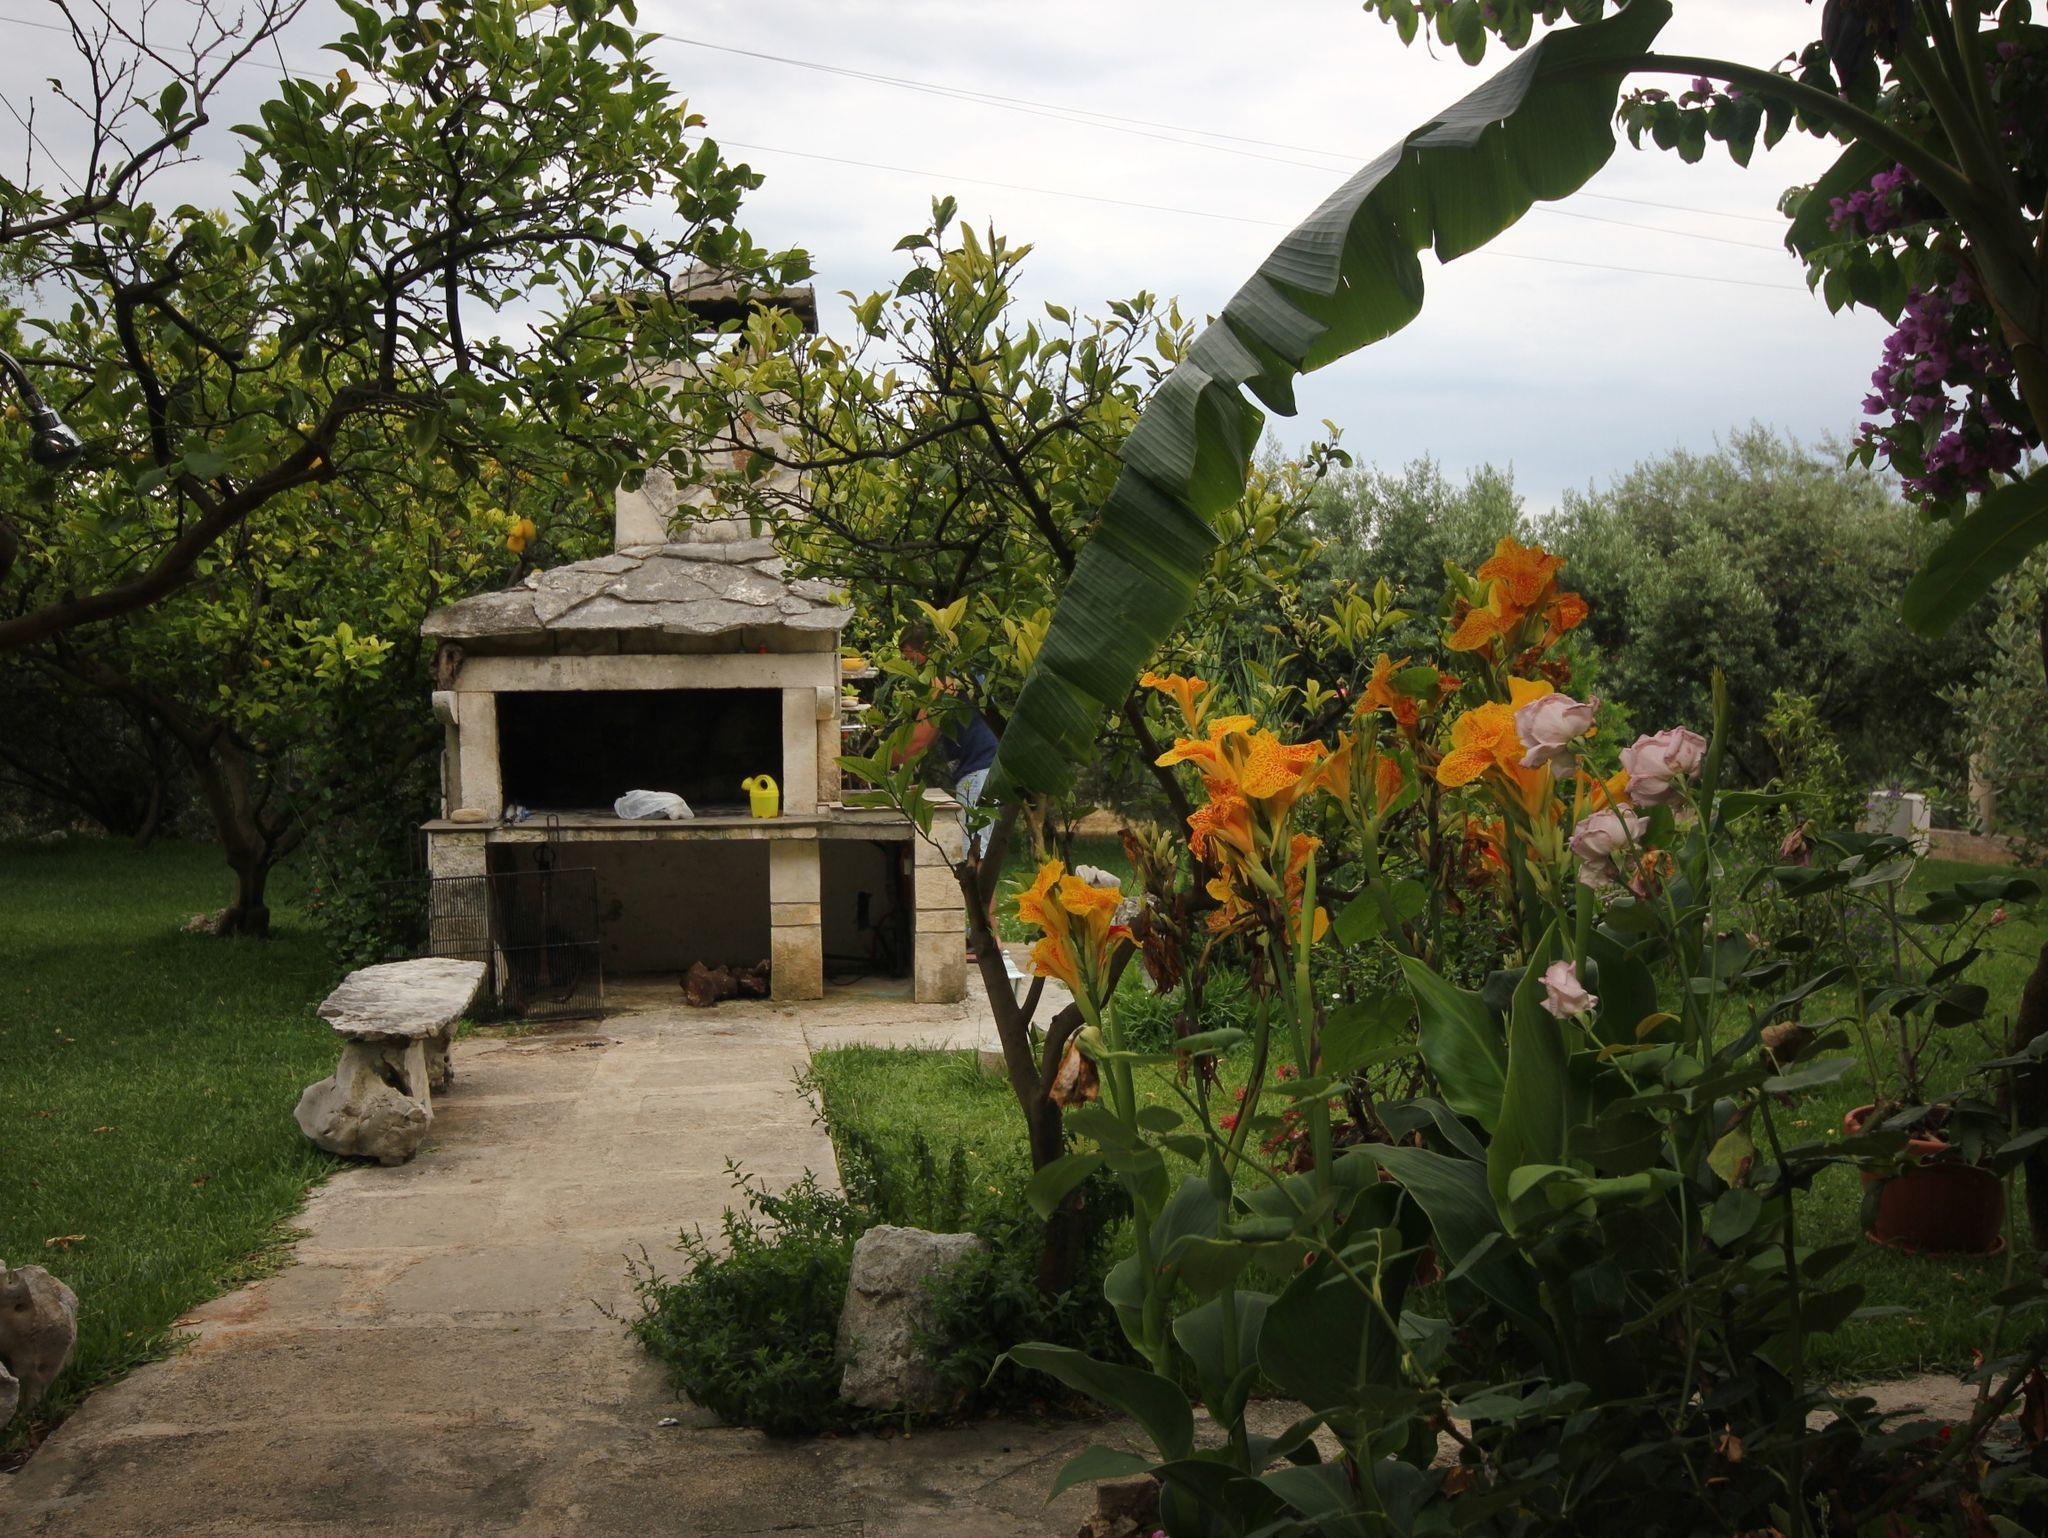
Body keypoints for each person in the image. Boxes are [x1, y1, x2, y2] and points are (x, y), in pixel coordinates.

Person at [895, 626, 1001, 951]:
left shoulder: (944, 681)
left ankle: (988, 938)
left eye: (909, 658)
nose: (910, 667)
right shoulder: (959, 675)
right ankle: (983, 934)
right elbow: (927, 739)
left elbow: (920, 739)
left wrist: (880, 758)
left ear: (924, 651)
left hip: (981, 769)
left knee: (976, 856)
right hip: (980, 768)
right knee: (977, 853)